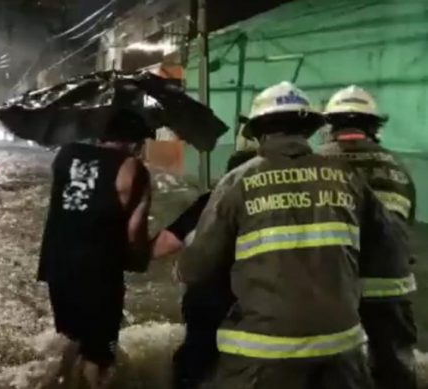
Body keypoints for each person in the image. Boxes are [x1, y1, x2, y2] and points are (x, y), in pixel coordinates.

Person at [178, 81, 411, 389]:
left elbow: (196, 268)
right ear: (310, 130)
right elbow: (386, 245)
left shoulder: (238, 181)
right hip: (343, 346)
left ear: (259, 132)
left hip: (264, 350)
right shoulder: (347, 176)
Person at [38, 109, 152, 388]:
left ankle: (60, 381)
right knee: (100, 353)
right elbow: (134, 229)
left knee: (70, 338)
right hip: (100, 271)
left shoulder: (64, 155)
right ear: (135, 142)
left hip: (57, 265)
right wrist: (141, 257)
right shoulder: (133, 168)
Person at [319, 85, 418, 389]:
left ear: (331, 125)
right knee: (395, 367)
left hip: (338, 286)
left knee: (335, 368)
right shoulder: (398, 167)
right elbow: (405, 225)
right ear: (374, 127)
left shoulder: (318, 162)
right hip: (393, 284)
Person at [151, 136, 258, 389]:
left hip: (207, 299)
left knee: (195, 360)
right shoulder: (269, 207)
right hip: (257, 299)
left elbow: (162, 245)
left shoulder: (209, 202)